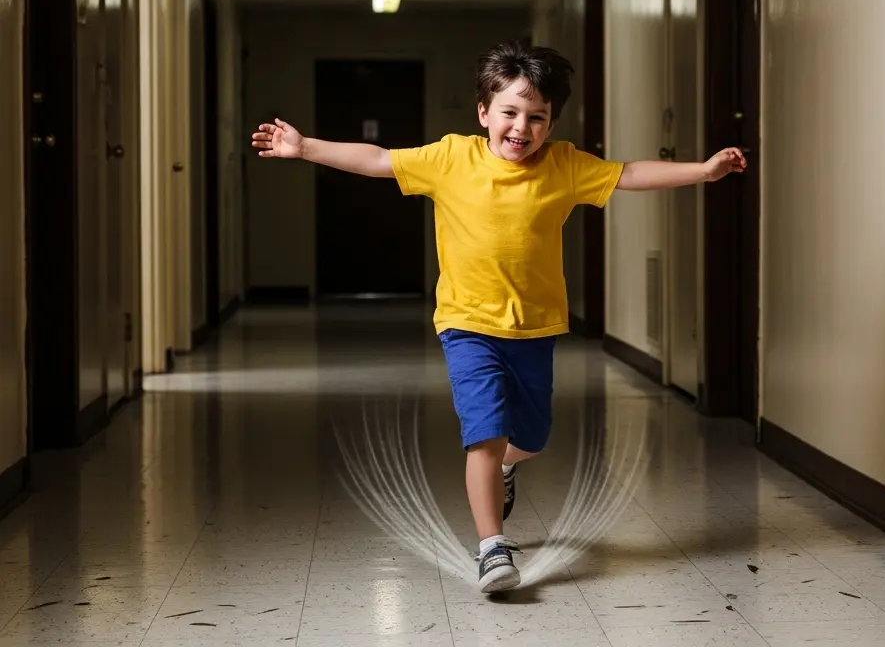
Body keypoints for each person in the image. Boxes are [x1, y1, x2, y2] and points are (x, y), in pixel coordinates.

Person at [250, 40, 746, 592]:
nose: (522, 127)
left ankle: (511, 466)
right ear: (484, 112)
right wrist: (305, 147)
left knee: (531, 436)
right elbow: (379, 161)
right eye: (510, 112)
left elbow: (628, 173)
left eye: (537, 117)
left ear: (551, 123)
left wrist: (702, 171)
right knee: (483, 433)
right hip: (466, 324)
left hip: (534, 327)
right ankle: (492, 548)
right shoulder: (450, 158)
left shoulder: (564, 166)